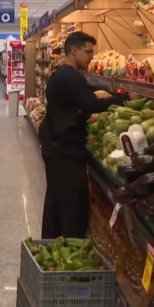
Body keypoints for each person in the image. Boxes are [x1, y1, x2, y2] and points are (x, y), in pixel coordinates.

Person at [38, 31, 138, 239]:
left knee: (55, 200)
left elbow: (79, 102)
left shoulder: (60, 74)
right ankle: (71, 245)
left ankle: (50, 242)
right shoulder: (70, 77)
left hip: (54, 145)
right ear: (74, 51)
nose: (92, 57)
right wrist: (125, 99)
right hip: (65, 150)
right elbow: (90, 104)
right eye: (89, 52)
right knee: (72, 205)